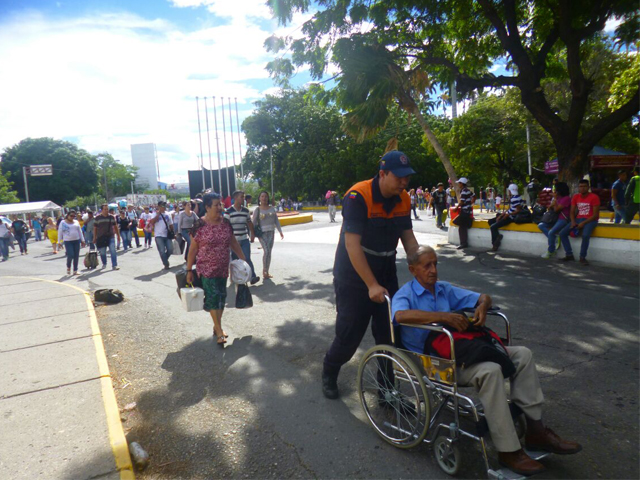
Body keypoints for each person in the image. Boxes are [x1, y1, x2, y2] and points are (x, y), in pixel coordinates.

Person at [392, 246, 582, 476]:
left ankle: (535, 430)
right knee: (491, 370)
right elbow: (400, 316)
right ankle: (508, 451)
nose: (433, 270)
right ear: (413, 270)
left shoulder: (444, 289)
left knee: (523, 354)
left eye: (435, 264)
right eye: (427, 266)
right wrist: (443, 316)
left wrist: (483, 306)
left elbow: (483, 296)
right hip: (435, 362)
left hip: (463, 351)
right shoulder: (405, 294)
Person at [322, 150, 419, 399]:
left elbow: (409, 240)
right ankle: (330, 370)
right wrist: (371, 285)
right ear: (383, 173)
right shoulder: (358, 196)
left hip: (385, 270)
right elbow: (352, 245)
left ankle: (387, 391)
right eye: (399, 177)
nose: (404, 182)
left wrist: (423, 267)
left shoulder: (404, 199)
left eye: (407, 177)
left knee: (388, 335)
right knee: (349, 335)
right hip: (353, 274)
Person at [186, 193, 246, 345]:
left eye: (221, 204)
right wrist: (188, 270)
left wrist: (244, 260)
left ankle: (216, 325)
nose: (220, 208)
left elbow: (233, 242)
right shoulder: (199, 225)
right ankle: (219, 331)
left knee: (221, 298)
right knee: (213, 298)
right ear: (207, 207)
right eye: (216, 205)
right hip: (206, 269)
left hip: (223, 268)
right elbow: (193, 249)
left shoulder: (226, 223)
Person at [558, 179, 600, 265]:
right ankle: (569, 254)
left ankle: (582, 257)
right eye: (581, 186)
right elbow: (572, 212)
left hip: (590, 220)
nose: (583, 188)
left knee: (585, 235)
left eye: (584, 186)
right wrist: (573, 221)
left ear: (588, 187)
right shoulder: (576, 197)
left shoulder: (594, 197)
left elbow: (595, 215)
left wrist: (583, 223)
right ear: (578, 188)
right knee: (562, 233)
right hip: (578, 219)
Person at [225, 191, 259, 285]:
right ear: (235, 198)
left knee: (247, 258)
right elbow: (226, 226)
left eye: (243, 197)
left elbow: (249, 223)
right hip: (234, 241)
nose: (243, 199)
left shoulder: (245, 211)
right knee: (235, 260)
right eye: (241, 197)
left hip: (244, 238)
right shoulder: (228, 211)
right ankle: (236, 277)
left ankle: (252, 277)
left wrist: (252, 234)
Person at [252, 191, 284, 280]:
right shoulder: (257, 209)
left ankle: (267, 271)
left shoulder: (272, 208)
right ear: (259, 198)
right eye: (262, 196)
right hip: (262, 234)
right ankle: (264, 270)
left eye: (265, 196)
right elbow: (253, 222)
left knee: (269, 252)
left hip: (271, 232)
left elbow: (276, 220)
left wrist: (280, 231)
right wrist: (252, 235)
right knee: (266, 251)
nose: (264, 198)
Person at [537, 182, 571, 259]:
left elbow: (556, 209)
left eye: (556, 190)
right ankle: (554, 238)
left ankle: (551, 251)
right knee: (541, 225)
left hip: (563, 219)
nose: (554, 192)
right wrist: (554, 202)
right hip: (556, 218)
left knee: (551, 232)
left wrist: (555, 200)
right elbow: (549, 208)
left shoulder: (566, 199)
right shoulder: (558, 198)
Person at [489, 184, 522, 252]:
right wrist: (501, 215)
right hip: (508, 215)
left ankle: (495, 244)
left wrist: (507, 215)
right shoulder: (517, 197)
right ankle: (497, 236)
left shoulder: (514, 198)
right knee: (490, 221)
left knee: (493, 227)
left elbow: (518, 210)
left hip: (511, 217)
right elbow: (511, 208)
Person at [148, 201, 174, 270]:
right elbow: (152, 222)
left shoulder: (168, 214)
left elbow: (171, 224)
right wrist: (158, 214)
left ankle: (164, 259)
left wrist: (173, 233)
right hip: (158, 235)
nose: (164, 207)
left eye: (165, 206)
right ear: (159, 206)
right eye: (162, 206)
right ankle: (166, 264)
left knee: (170, 249)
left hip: (167, 234)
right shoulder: (154, 214)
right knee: (162, 251)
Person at [58, 210, 86, 275]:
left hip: (76, 240)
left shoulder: (76, 222)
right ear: (67, 215)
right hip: (68, 241)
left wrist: (82, 240)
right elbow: (60, 232)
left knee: (76, 255)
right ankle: (68, 266)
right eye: (71, 216)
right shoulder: (63, 222)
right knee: (71, 255)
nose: (72, 217)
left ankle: (75, 270)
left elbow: (80, 231)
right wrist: (59, 242)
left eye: (74, 216)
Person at [93, 204, 120, 270]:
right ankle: (104, 263)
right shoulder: (97, 218)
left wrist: (118, 236)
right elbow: (95, 228)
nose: (106, 210)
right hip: (101, 237)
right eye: (105, 209)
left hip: (110, 236)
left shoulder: (111, 217)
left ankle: (114, 265)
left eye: (107, 209)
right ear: (101, 210)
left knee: (113, 250)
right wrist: (94, 237)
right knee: (102, 252)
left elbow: (115, 226)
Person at [452, 177, 474, 249]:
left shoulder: (464, 191)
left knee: (456, 222)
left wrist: (456, 208)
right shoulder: (468, 190)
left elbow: (462, 202)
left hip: (464, 211)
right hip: (468, 211)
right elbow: (474, 196)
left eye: (459, 183)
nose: (458, 184)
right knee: (462, 226)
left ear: (462, 183)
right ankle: (464, 242)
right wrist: (470, 203)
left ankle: (463, 243)